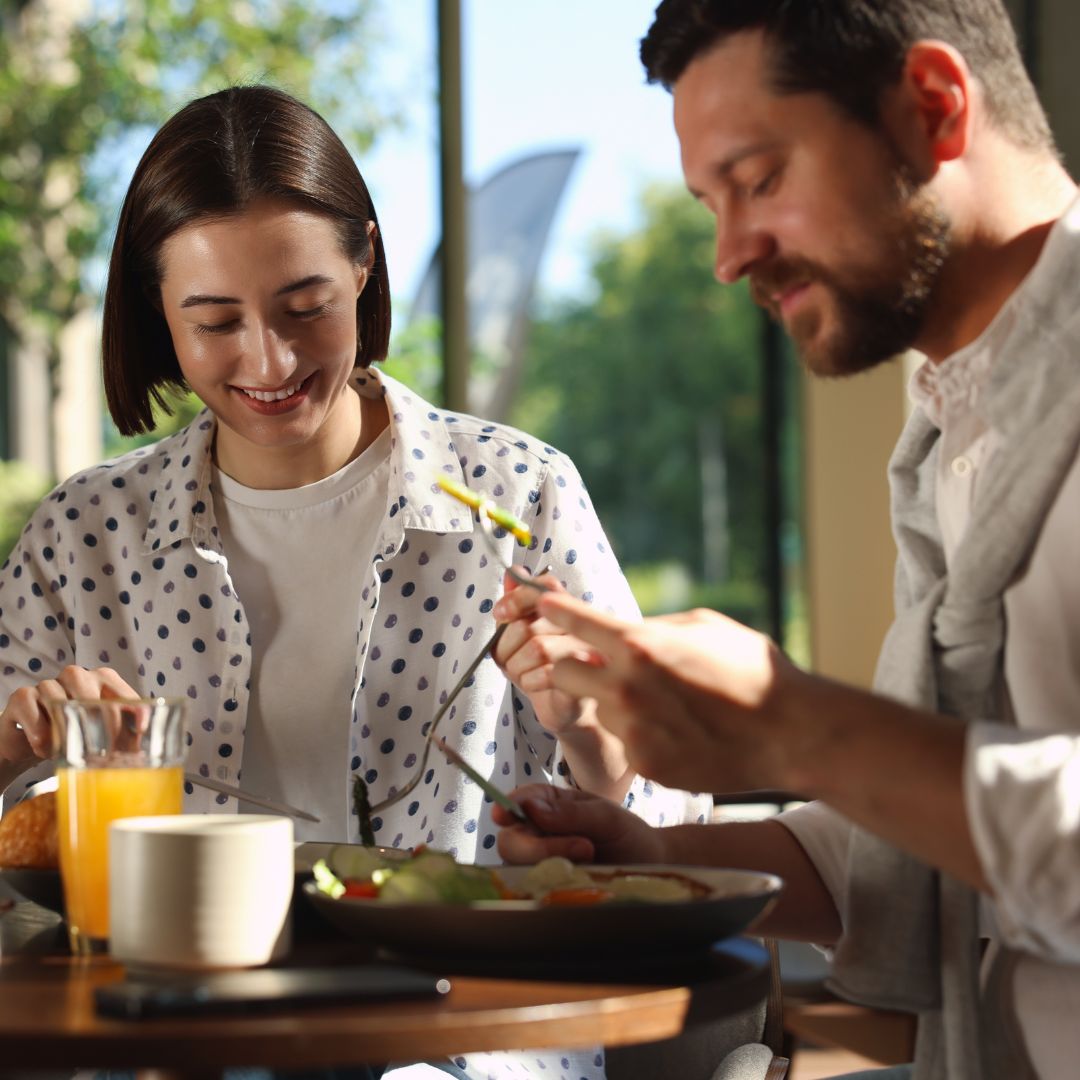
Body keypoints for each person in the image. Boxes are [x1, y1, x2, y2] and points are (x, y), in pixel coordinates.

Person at [0, 84, 709, 1080]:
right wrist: (16, 739)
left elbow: (678, 838)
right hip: (164, 1046)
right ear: (156, 313)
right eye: (214, 323)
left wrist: (594, 737)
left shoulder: (519, 495)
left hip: (460, 1051)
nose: (269, 360)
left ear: (364, 262)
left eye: (306, 308)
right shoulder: (87, 537)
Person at [492, 2, 1080, 1078]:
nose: (727, 256)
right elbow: (933, 836)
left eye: (760, 179)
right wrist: (655, 860)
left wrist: (798, 725)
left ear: (934, 110)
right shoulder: (956, 435)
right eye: (711, 203)